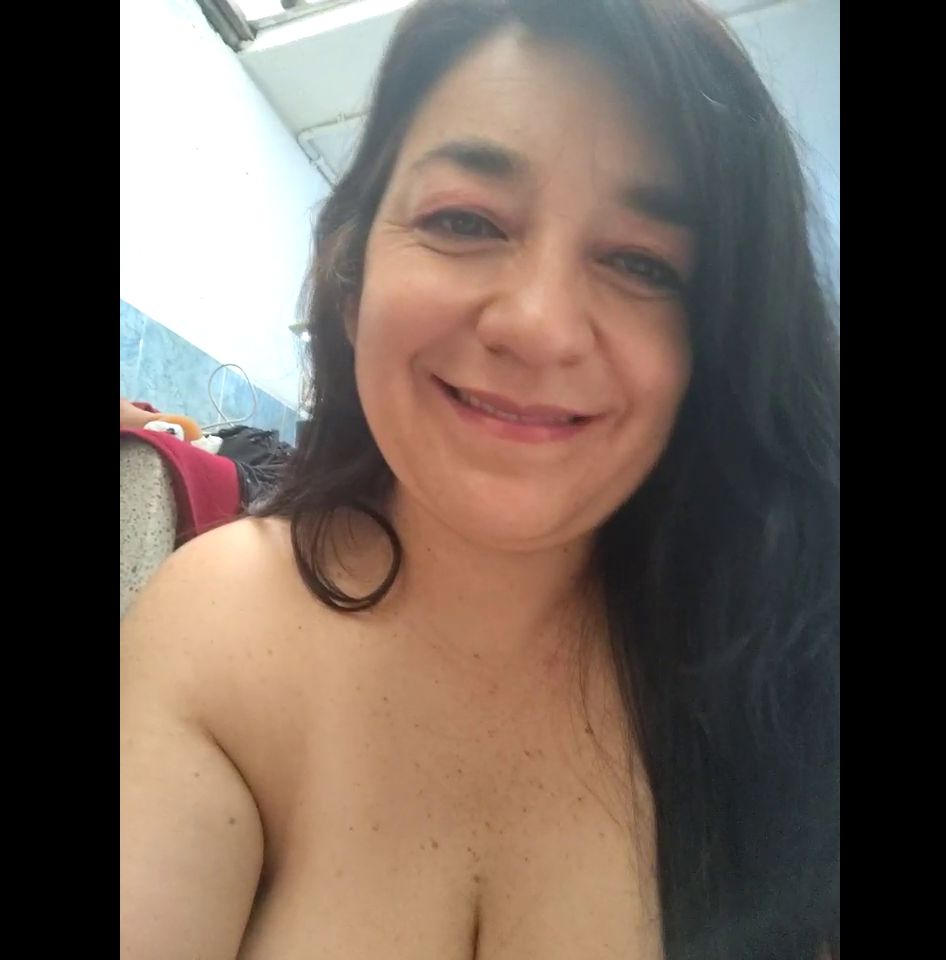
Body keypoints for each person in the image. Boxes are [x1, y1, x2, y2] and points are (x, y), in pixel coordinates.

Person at [120, 1, 840, 958]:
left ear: (716, 346)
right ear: (351, 272)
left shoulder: (794, 669)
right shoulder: (218, 626)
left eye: (641, 262)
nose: (539, 324)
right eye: (464, 220)